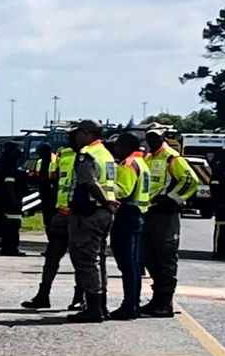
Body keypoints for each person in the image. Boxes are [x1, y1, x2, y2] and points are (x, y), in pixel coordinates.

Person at [138, 130, 199, 317]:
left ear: (163, 138)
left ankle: (164, 302)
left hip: (164, 214)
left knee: (165, 257)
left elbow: (191, 179)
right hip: (149, 213)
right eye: (149, 136)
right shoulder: (148, 157)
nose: (151, 140)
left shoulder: (172, 158)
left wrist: (172, 199)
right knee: (150, 257)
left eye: (155, 136)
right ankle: (157, 300)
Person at [65, 120, 119, 323]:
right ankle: (101, 305)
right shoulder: (106, 153)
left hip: (89, 212)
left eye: (78, 133)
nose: (75, 138)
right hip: (103, 213)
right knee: (99, 260)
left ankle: (94, 308)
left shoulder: (87, 153)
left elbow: (89, 181)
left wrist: (105, 202)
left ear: (87, 133)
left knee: (86, 261)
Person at [22, 142, 76, 310]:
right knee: (51, 257)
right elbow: (55, 178)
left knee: (81, 260)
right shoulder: (63, 157)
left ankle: (81, 298)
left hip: (80, 216)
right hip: (59, 211)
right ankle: (43, 295)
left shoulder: (91, 157)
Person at [103, 133, 150, 319]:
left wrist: (104, 186)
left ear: (126, 145)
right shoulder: (142, 163)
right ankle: (133, 304)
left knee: (127, 263)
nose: (115, 148)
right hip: (138, 215)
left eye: (118, 145)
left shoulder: (128, 164)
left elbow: (123, 191)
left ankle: (129, 304)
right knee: (134, 264)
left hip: (127, 215)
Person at [0, 141, 27, 255]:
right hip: (7, 198)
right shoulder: (10, 163)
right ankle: (10, 247)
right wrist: (14, 199)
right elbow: (9, 182)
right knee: (11, 223)